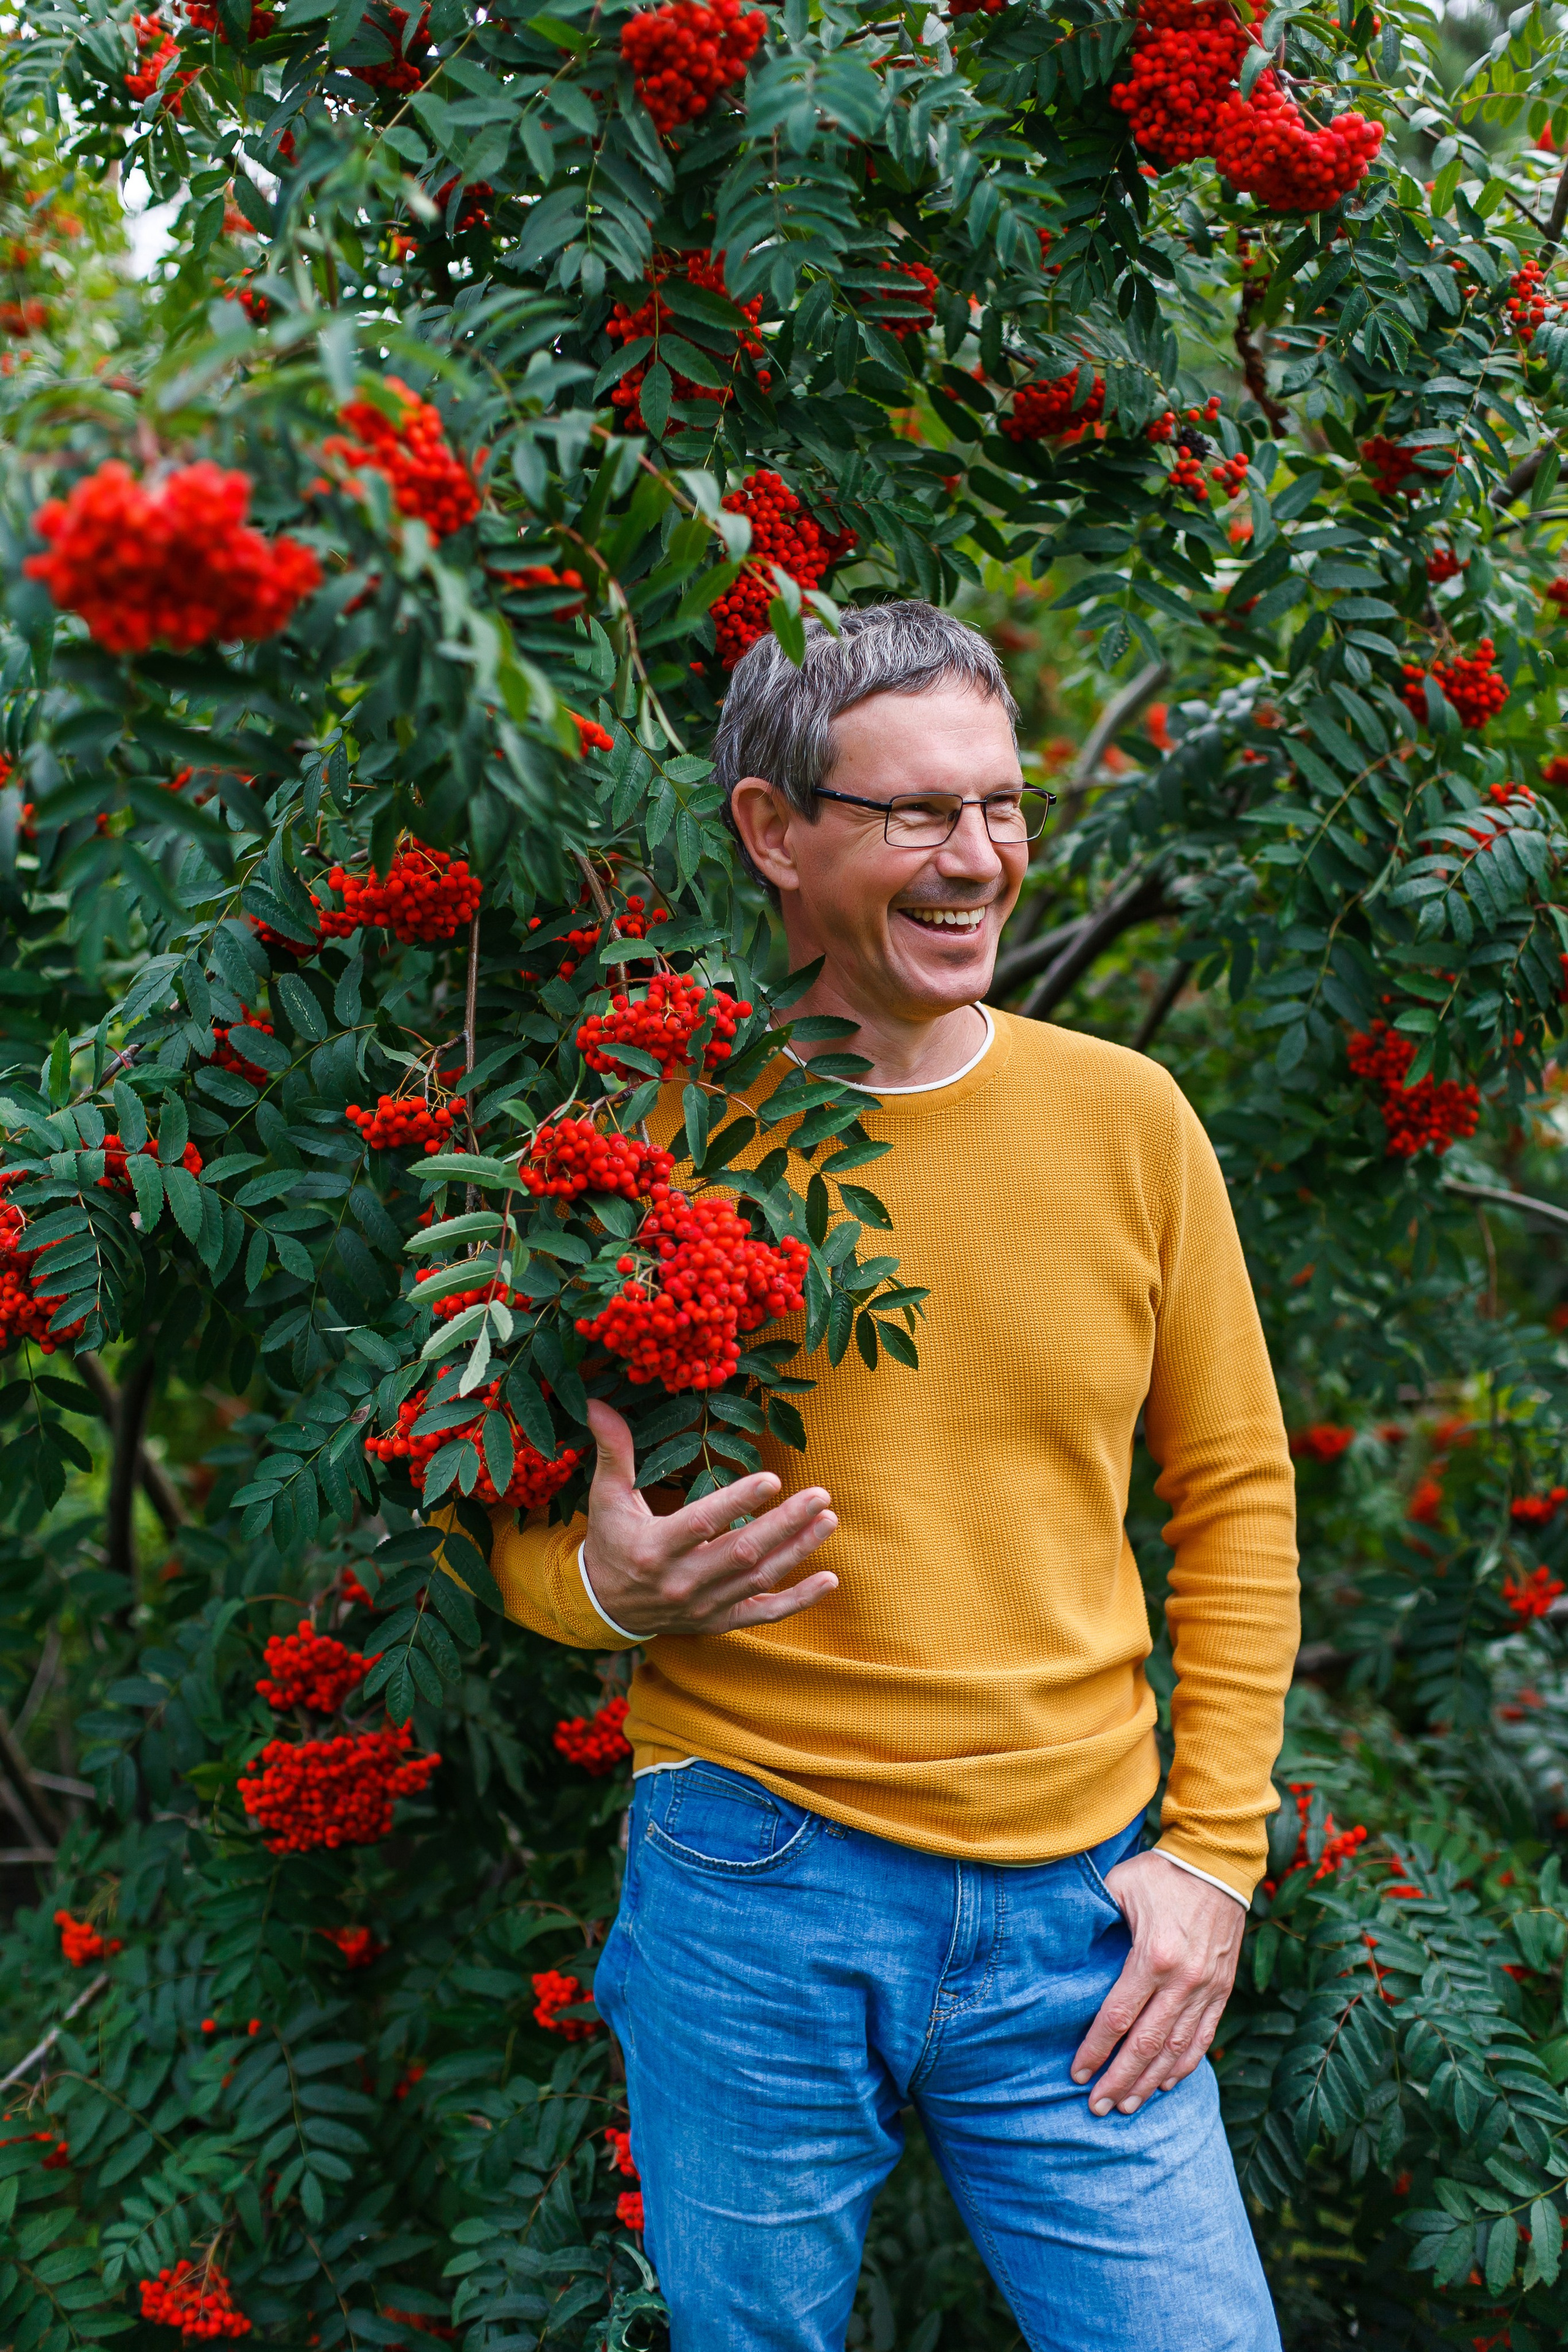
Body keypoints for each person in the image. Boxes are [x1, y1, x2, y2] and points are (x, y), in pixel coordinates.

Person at [480, 602, 1298, 2351]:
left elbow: (1233, 1494)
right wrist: (603, 1590)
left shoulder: (1131, 1121)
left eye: (1003, 807)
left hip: (1089, 1903)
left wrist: (1215, 1857)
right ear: (773, 830)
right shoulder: (646, 1132)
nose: (980, 857)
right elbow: (514, 1511)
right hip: (754, 1874)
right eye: (921, 812)